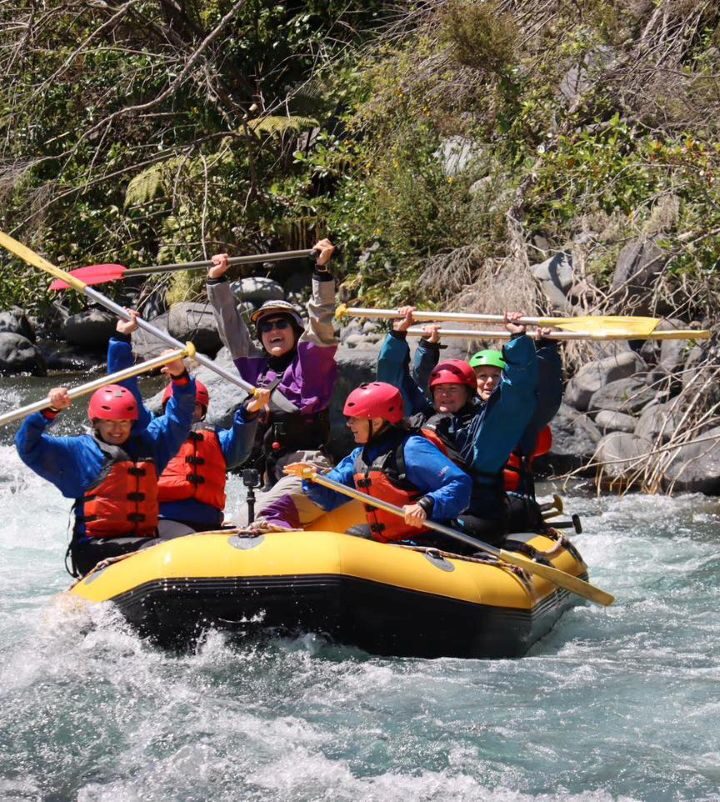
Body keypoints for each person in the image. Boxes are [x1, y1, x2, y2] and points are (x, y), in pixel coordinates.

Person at [15, 356, 195, 576]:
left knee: (187, 545)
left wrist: (181, 378)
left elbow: (180, 418)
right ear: (96, 422)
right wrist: (47, 411)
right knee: (163, 550)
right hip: (95, 548)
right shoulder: (79, 451)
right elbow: (29, 447)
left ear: (132, 422)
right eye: (109, 422)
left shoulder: (151, 445)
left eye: (123, 422)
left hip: (141, 542)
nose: (117, 429)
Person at [377, 309, 540, 545]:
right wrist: (397, 334)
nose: (445, 395)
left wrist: (518, 342)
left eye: (453, 390)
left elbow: (516, 396)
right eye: (440, 390)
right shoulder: (422, 420)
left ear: (468, 392)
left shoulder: (482, 428)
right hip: (427, 512)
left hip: (477, 516)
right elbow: (391, 387)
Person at [206, 238, 338, 525]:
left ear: (295, 331)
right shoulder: (257, 371)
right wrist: (217, 282)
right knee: (229, 526)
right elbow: (232, 330)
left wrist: (321, 272)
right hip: (274, 478)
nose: (273, 330)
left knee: (252, 522)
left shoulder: (310, 365)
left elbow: (321, 322)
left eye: (281, 324)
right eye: (266, 327)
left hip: (309, 470)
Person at [107, 313, 271, 536]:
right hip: (162, 519)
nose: (189, 411)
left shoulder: (217, 439)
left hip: (208, 524)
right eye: (185, 404)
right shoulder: (152, 431)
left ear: (203, 411)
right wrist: (121, 339)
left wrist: (248, 413)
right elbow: (124, 391)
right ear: (168, 406)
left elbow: (240, 447)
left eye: (195, 406)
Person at [283, 382, 472, 541]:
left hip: (428, 538)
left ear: (377, 421)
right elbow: (331, 497)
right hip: (390, 541)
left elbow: (460, 483)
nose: (349, 425)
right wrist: (312, 478)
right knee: (353, 536)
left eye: (354, 419)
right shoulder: (360, 456)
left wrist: (426, 505)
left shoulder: (412, 448)